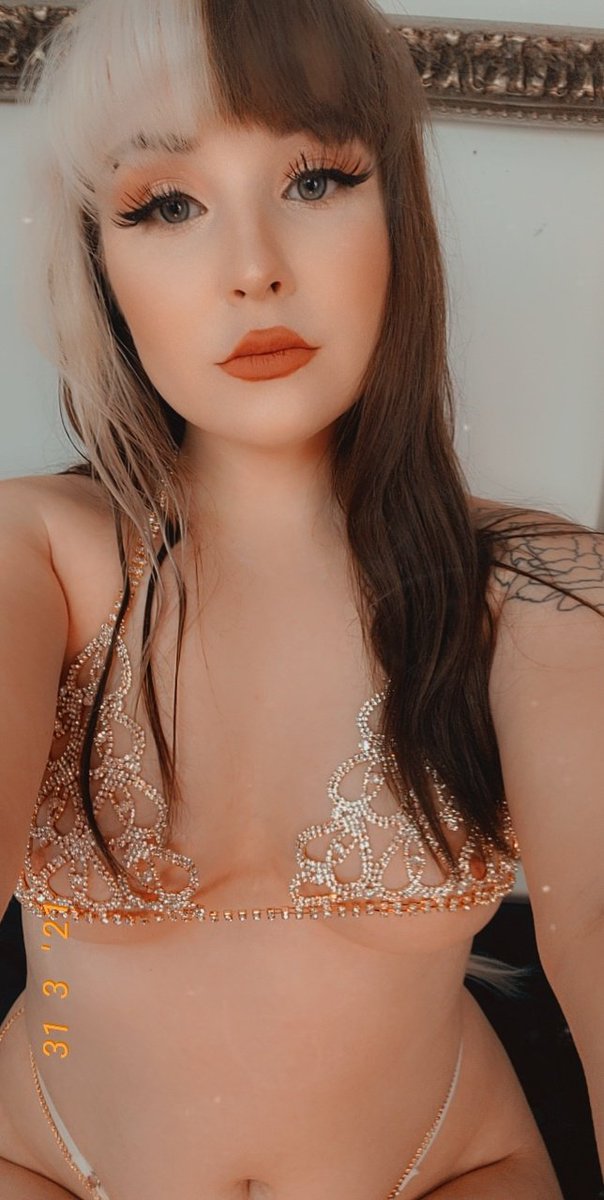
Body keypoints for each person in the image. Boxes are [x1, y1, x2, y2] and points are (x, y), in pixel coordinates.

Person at [0, 1, 602, 1197]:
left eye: (315, 180)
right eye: (166, 205)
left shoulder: (533, 585)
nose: (253, 268)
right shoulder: (34, 554)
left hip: (446, 1170)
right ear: (99, 263)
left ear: (399, 212)